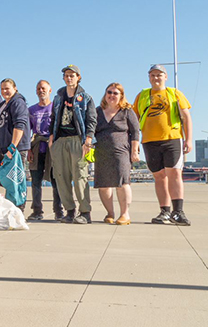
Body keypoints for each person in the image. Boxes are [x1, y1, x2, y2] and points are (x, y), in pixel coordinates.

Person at [133, 64, 193, 226]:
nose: (156, 78)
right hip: (149, 141)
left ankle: (178, 211)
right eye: (152, 75)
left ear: (165, 77)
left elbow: (186, 117)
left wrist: (188, 139)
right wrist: (135, 142)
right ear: (149, 78)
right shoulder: (142, 95)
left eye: (159, 75)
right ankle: (165, 211)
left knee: (174, 173)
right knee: (159, 176)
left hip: (172, 138)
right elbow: (134, 120)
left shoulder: (174, 93)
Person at [49, 65, 97, 224]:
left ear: (78, 77)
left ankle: (85, 212)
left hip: (78, 140)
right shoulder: (58, 97)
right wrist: (51, 138)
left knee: (80, 176)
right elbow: (54, 118)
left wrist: (88, 139)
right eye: (66, 75)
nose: (69, 78)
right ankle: (69, 211)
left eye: (72, 75)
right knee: (61, 177)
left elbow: (91, 120)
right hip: (60, 140)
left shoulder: (86, 98)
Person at [95, 83, 139, 225]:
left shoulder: (127, 111)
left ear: (121, 95)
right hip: (101, 152)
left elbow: (135, 132)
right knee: (104, 184)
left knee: (122, 182)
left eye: (115, 93)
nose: (112, 95)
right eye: (109, 92)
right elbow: (91, 131)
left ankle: (125, 214)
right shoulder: (97, 111)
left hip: (122, 152)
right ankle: (110, 213)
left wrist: (134, 151)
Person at [27, 80, 63, 221]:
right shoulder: (31, 110)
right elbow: (27, 131)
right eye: (38, 88)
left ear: (50, 90)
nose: (41, 91)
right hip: (37, 147)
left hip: (52, 147)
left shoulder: (56, 108)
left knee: (56, 181)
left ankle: (58, 211)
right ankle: (37, 211)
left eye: (43, 88)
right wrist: (29, 149)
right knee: (35, 182)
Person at [0, 78, 31, 202]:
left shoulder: (18, 102)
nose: (4, 91)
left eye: (7, 88)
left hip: (15, 149)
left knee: (16, 182)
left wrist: (13, 147)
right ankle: (11, 208)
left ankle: (19, 209)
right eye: (2, 89)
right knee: (6, 181)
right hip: (2, 148)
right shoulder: (3, 105)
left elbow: (20, 125)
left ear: (15, 88)